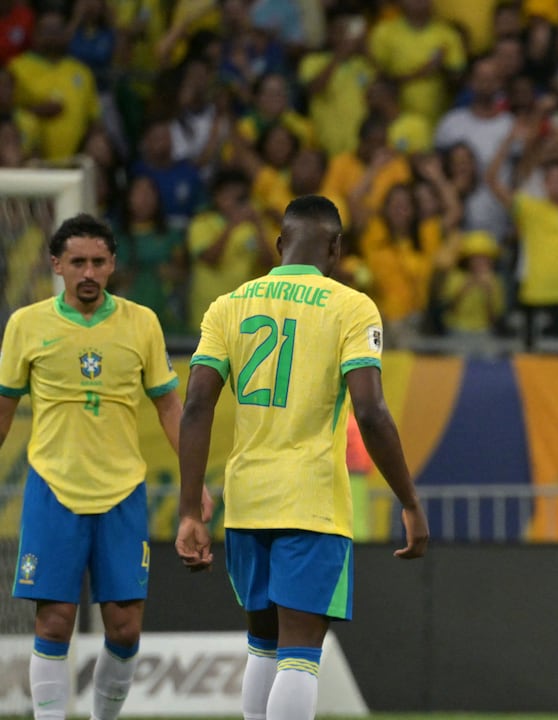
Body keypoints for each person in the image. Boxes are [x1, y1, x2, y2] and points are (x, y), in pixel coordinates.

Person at [175, 195, 430, 720]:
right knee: (300, 650)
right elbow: (371, 411)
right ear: (336, 248)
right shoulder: (351, 306)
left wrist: (187, 511)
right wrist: (408, 498)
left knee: (263, 642)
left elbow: (197, 403)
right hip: (310, 500)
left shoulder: (229, 304)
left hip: (246, 500)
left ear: (278, 244)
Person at [0, 214, 205, 720]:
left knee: (124, 629)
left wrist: (193, 484)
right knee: (52, 623)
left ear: (112, 264)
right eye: (76, 262)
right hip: (53, 488)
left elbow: (169, 408)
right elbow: (3, 411)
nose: (87, 272)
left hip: (122, 492)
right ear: (56, 265)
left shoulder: (141, 323)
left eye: (97, 261)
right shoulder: (26, 324)